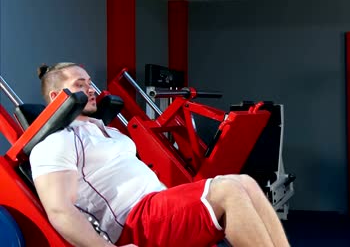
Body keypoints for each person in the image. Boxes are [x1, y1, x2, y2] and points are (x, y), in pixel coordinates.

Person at [30, 62, 290, 247]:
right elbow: (60, 211)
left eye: (90, 83)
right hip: (134, 223)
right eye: (80, 84)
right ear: (56, 96)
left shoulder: (107, 130)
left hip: (157, 207)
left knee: (244, 183)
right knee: (229, 191)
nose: (91, 89)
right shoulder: (57, 141)